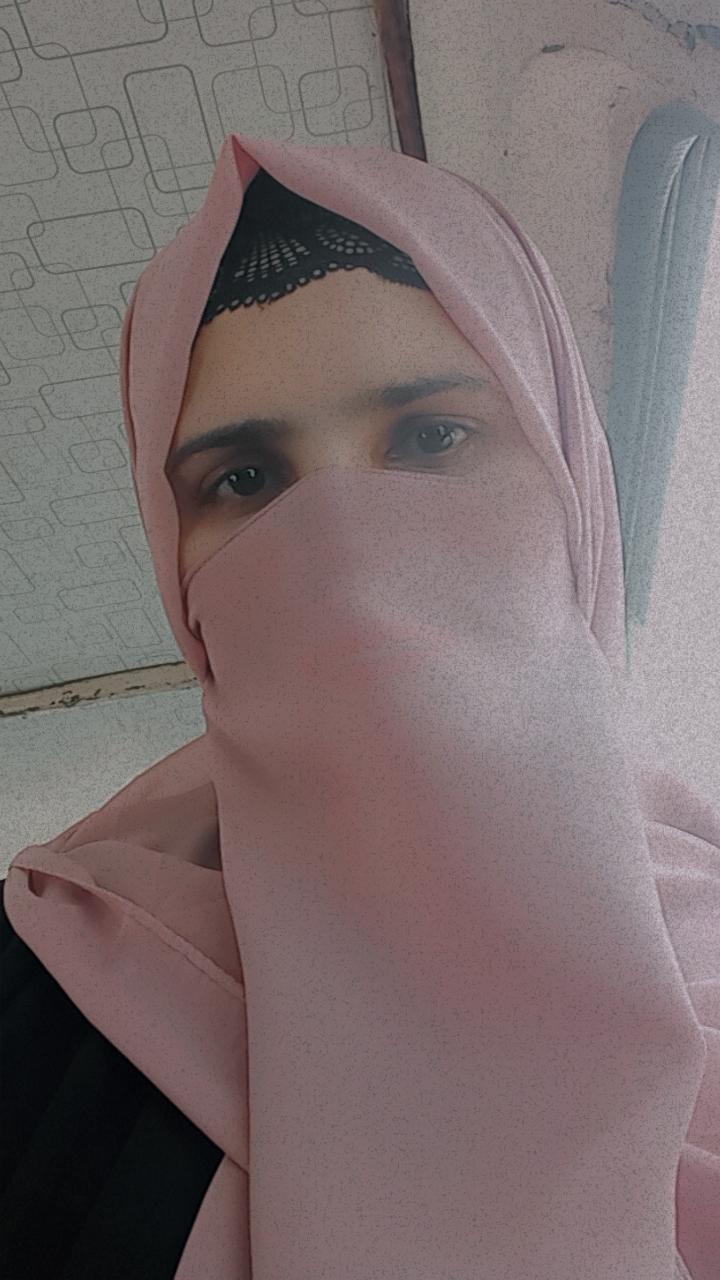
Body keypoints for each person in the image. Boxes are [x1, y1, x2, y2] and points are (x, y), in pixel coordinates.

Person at [2, 133, 718, 1280]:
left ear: (571, 481)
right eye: (244, 480)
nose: (346, 560)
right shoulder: (44, 979)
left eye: (433, 437)